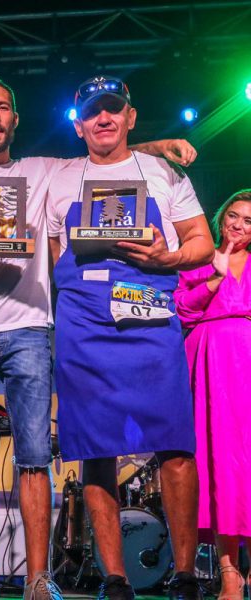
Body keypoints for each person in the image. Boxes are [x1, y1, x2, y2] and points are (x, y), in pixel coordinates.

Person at [0, 72, 197, 600]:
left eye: (2, 107)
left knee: (35, 457)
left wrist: (161, 145)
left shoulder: (45, 170)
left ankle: (39, 578)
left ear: (15, 117)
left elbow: (110, 153)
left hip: (33, 327)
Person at [47, 75, 214, 600]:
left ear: (130, 116)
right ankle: (115, 579)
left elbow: (203, 243)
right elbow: (51, 254)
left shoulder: (163, 173)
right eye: (92, 112)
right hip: (84, 326)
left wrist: (170, 257)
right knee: (95, 449)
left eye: (113, 109)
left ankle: (185, 575)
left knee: (175, 444)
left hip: (151, 320)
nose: (104, 118)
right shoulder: (57, 175)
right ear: (78, 125)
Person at [175, 189, 251, 600]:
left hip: (248, 363)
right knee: (218, 462)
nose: (239, 225)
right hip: (211, 365)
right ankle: (228, 573)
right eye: (233, 215)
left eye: (249, 221)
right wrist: (215, 278)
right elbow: (182, 310)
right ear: (221, 218)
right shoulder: (198, 259)